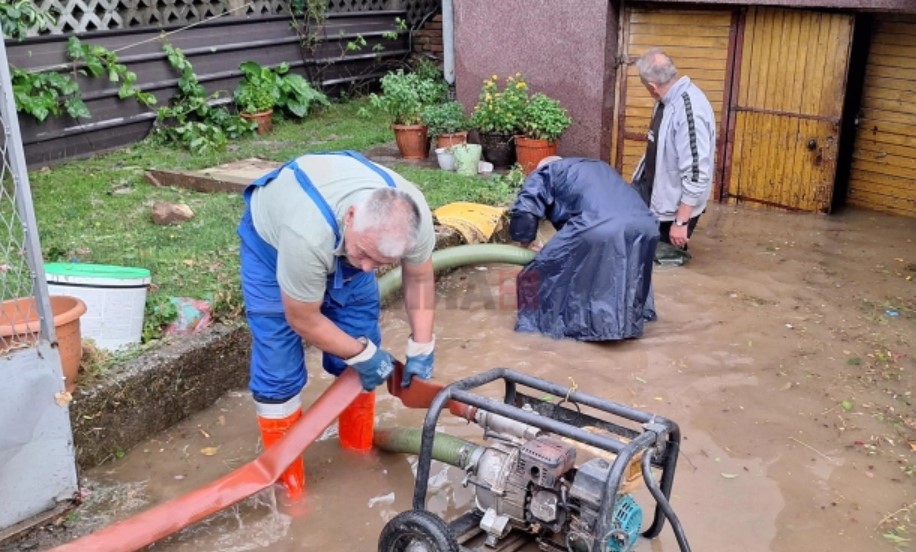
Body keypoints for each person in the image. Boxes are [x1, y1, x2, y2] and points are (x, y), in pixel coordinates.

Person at [237, 150, 437, 500]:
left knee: (360, 338)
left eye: (380, 262)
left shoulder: (411, 219)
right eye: (364, 254)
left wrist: (421, 345)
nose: (366, 269)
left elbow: (419, 279)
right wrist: (364, 355)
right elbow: (302, 319)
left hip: (336, 235)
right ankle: (291, 490)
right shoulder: (305, 235)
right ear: (351, 216)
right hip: (273, 245)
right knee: (278, 368)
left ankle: (357, 455)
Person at [508, 156, 659, 341]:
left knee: (535, 274)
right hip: (646, 225)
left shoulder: (547, 171)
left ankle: (539, 333)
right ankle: (627, 325)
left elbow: (525, 208)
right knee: (621, 270)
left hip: (600, 225)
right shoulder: (600, 169)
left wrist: (526, 242)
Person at [632, 48, 716, 250]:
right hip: (651, 190)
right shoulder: (665, 100)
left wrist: (681, 223)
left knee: (662, 260)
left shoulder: (690, 112)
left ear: (652, 86)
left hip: (673, 208)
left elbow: (697, 172)